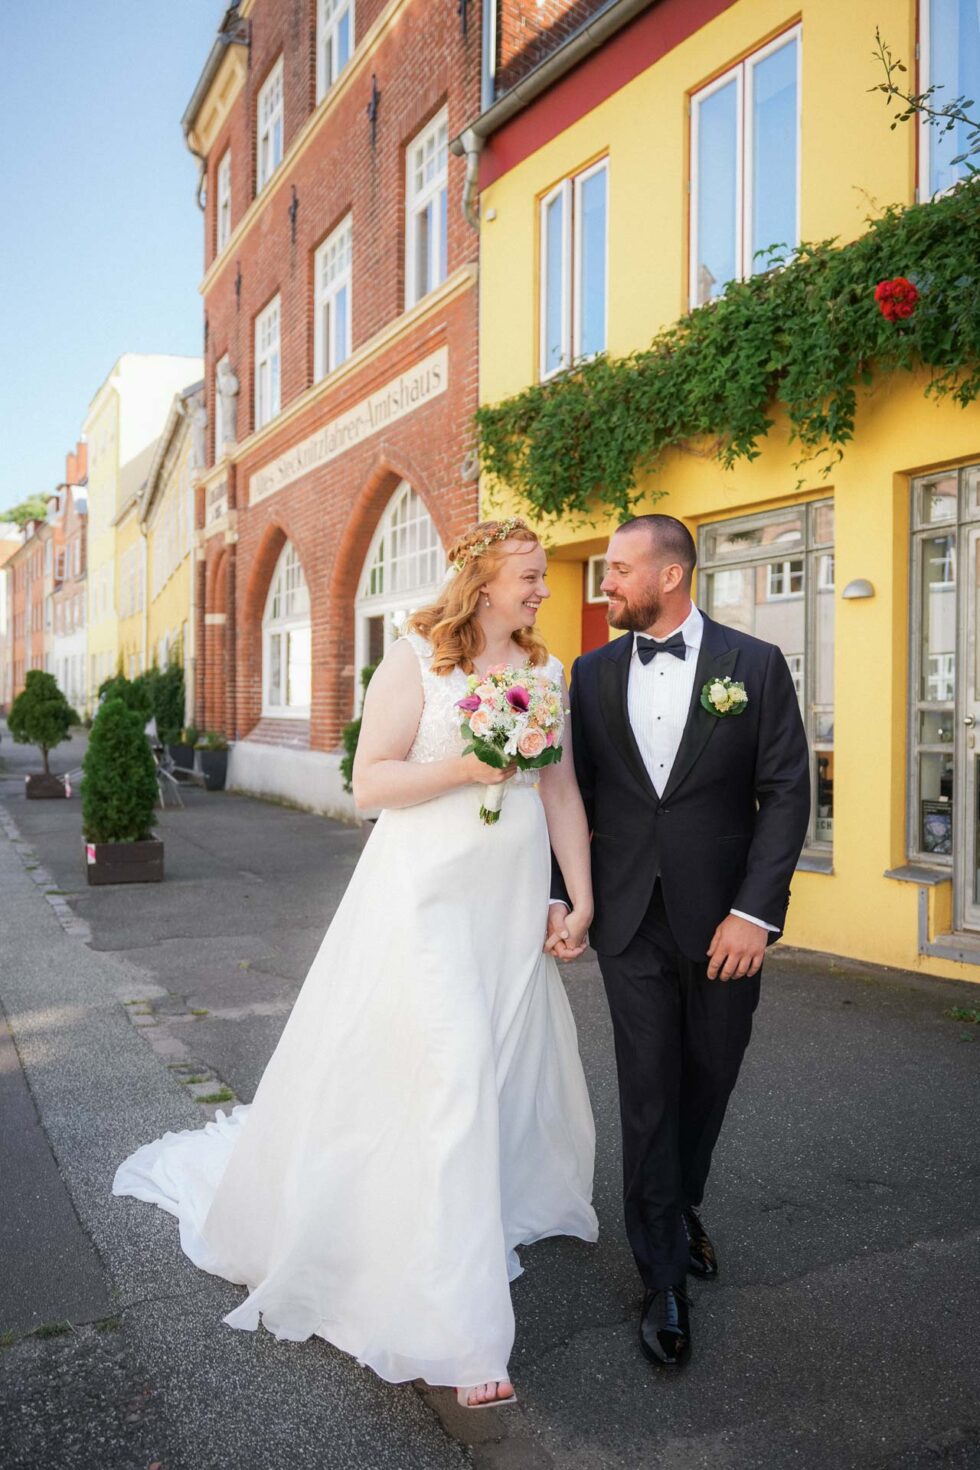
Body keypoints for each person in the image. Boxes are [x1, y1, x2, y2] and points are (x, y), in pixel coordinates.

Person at [113, 517, 597, 1409]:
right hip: (426, 897)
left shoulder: (544, 670)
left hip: (511, 892)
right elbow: (369, 784)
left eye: (540, 576)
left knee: (496, 1060)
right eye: (530, 574)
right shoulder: (415, 660)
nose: (542, 588)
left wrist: (579, 892)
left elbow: (560, 784)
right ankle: (464, 1334)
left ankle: (455, 1212)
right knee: (452, 1069)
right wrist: (468, 768)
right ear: (483, 579)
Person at [548, 514, 810, 1370]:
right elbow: (571, 799)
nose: (605, 584)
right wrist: (567, 900)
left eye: (619, 569)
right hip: (628, 918)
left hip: (725, 917)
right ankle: (661, 1275)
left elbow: (786, 793)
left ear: (671, 576)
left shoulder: (756, 666)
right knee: (648, 1090)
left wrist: (755, 913)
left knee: (713, 1070)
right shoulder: (588, 676)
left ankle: (681, 1198)